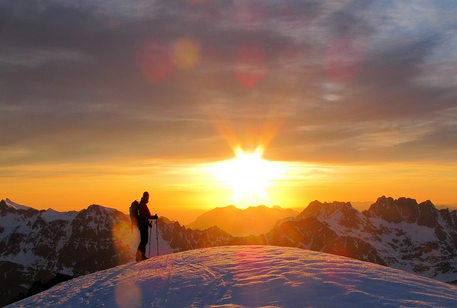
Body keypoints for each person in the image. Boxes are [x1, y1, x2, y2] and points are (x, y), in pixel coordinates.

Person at [136, 191, 158, 261]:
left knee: (143, 240)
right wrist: (153, 217)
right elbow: (146, 216)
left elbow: (144, 216)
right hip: (143, 225)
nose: (147, 198)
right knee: (144, 240)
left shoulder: (142, 204)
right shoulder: (143, 205)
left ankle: (140, 256)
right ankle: (141, 256)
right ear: (145, 197)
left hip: (143, 224)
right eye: (147, 197)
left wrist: (148, 223)